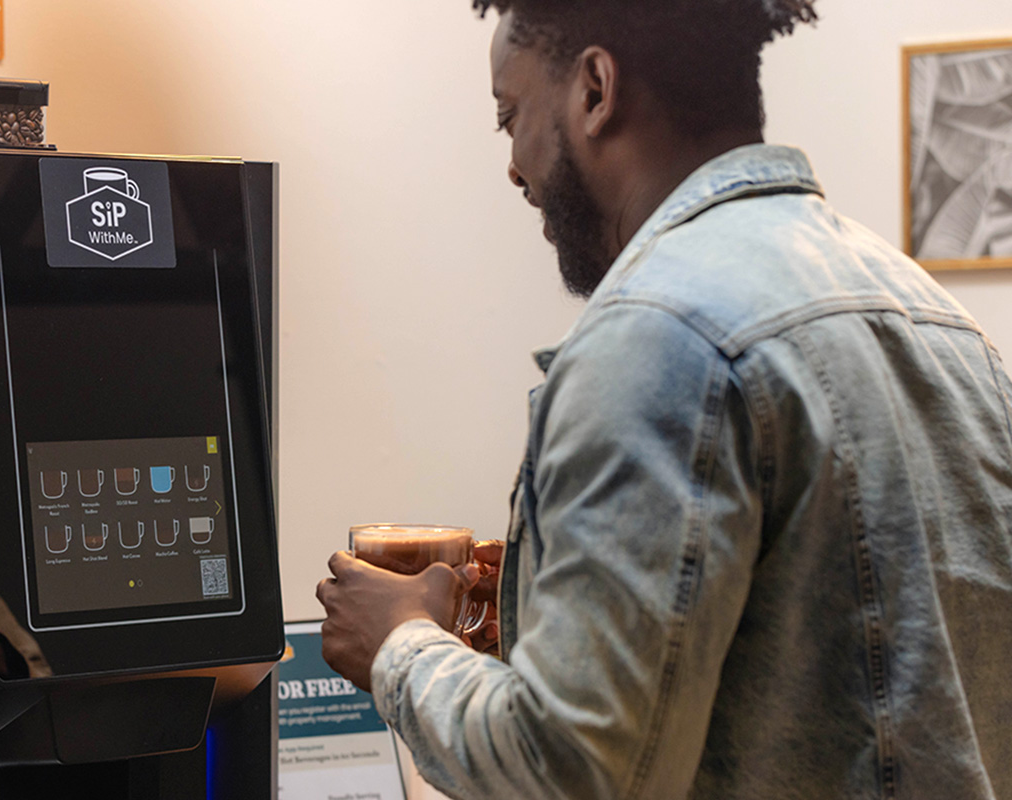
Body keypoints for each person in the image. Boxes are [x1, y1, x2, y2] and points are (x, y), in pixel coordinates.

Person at [316, 1, 1012, 797]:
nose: (513, 166)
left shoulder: (657, 333)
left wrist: (399, 644)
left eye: (511, 117)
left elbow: (568, 771)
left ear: (595, 89)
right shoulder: (938, 321)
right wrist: (560, 610)